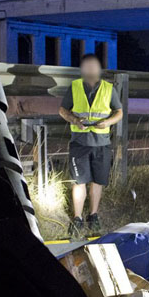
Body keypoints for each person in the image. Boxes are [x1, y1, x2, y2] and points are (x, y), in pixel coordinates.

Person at [58, 53, 123, 238]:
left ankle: (93, 215)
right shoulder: (75, 86)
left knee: (98, 181)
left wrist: (109, 122)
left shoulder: (109, 88)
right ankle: (77, 219)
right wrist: (74, 119)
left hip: (101, 143)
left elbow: (119, 112)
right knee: (79, 182)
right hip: (79, 142)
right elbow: (63, 110)